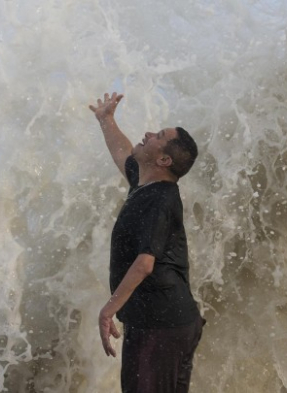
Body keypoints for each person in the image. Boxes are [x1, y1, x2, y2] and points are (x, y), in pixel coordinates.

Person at [89, 92, 204, 393]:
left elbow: (145, 263)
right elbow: (123, 153)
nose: (149, 134)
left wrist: (108, 310)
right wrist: (106, 120)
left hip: (160, 325)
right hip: (169, 322)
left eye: (159, 136)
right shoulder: (146, 184)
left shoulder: (160, 198)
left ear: (164, 159)